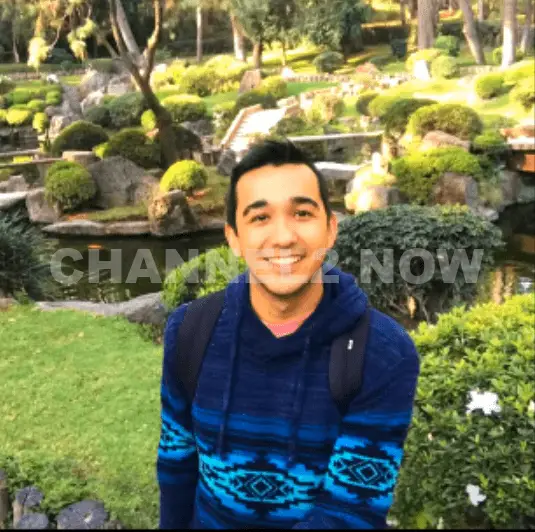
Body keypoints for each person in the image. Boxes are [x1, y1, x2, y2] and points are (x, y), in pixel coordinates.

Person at [156, 140, 420, 529]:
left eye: (302, 213)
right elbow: (177, 462)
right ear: (234, 238)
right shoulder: (191, 331)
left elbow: (351, 513)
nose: (283, 237)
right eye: (260, 217)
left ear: (330, 229)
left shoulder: (382, 353)